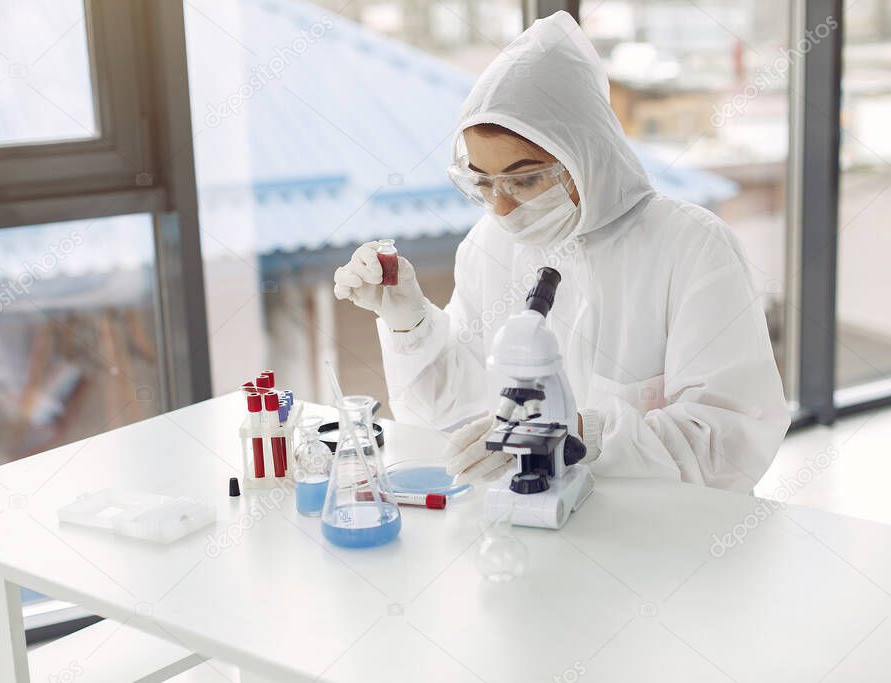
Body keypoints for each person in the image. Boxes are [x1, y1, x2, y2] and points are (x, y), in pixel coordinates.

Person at [333, 11, 789, 493]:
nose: (502, 206)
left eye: (525, 178)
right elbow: (452, 418)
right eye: (484, 183)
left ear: (586, 155)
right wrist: (410, 324)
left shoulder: (692, 246)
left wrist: (584, 435)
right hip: (533, 531)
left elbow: (732, 443)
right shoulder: (488, 246)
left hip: (666, 545)